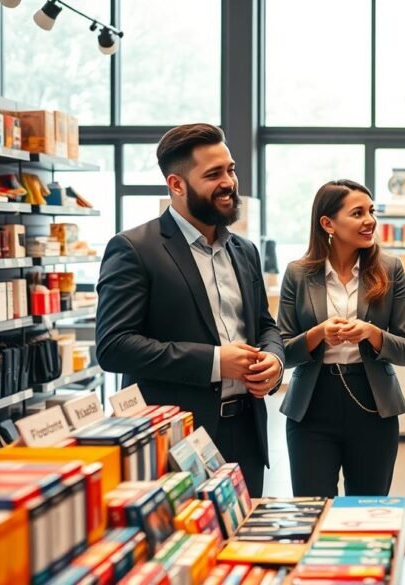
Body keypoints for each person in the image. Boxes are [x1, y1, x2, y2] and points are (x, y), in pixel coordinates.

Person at [96, 123, 285, 496]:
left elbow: (265, 325)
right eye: (213, 174)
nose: (229, 182)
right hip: (177, 437)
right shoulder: (134, 248)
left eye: (230, 169)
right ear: (177, 185)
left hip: (247, 432)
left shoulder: (244, 251)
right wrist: (215, 361)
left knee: (244, 545)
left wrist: (274, 361)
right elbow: (114, 346)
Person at [278, 180, 405, 497]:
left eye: (371, 211)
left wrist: (372, 333)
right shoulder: (298, 273)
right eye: (358, 213)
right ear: (327, 223)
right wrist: (318, 334)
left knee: (367, 509)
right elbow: (282, 352)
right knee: (311, 507)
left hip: (373, 405)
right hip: (311, 406)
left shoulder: (390, 269)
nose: (370, 220)